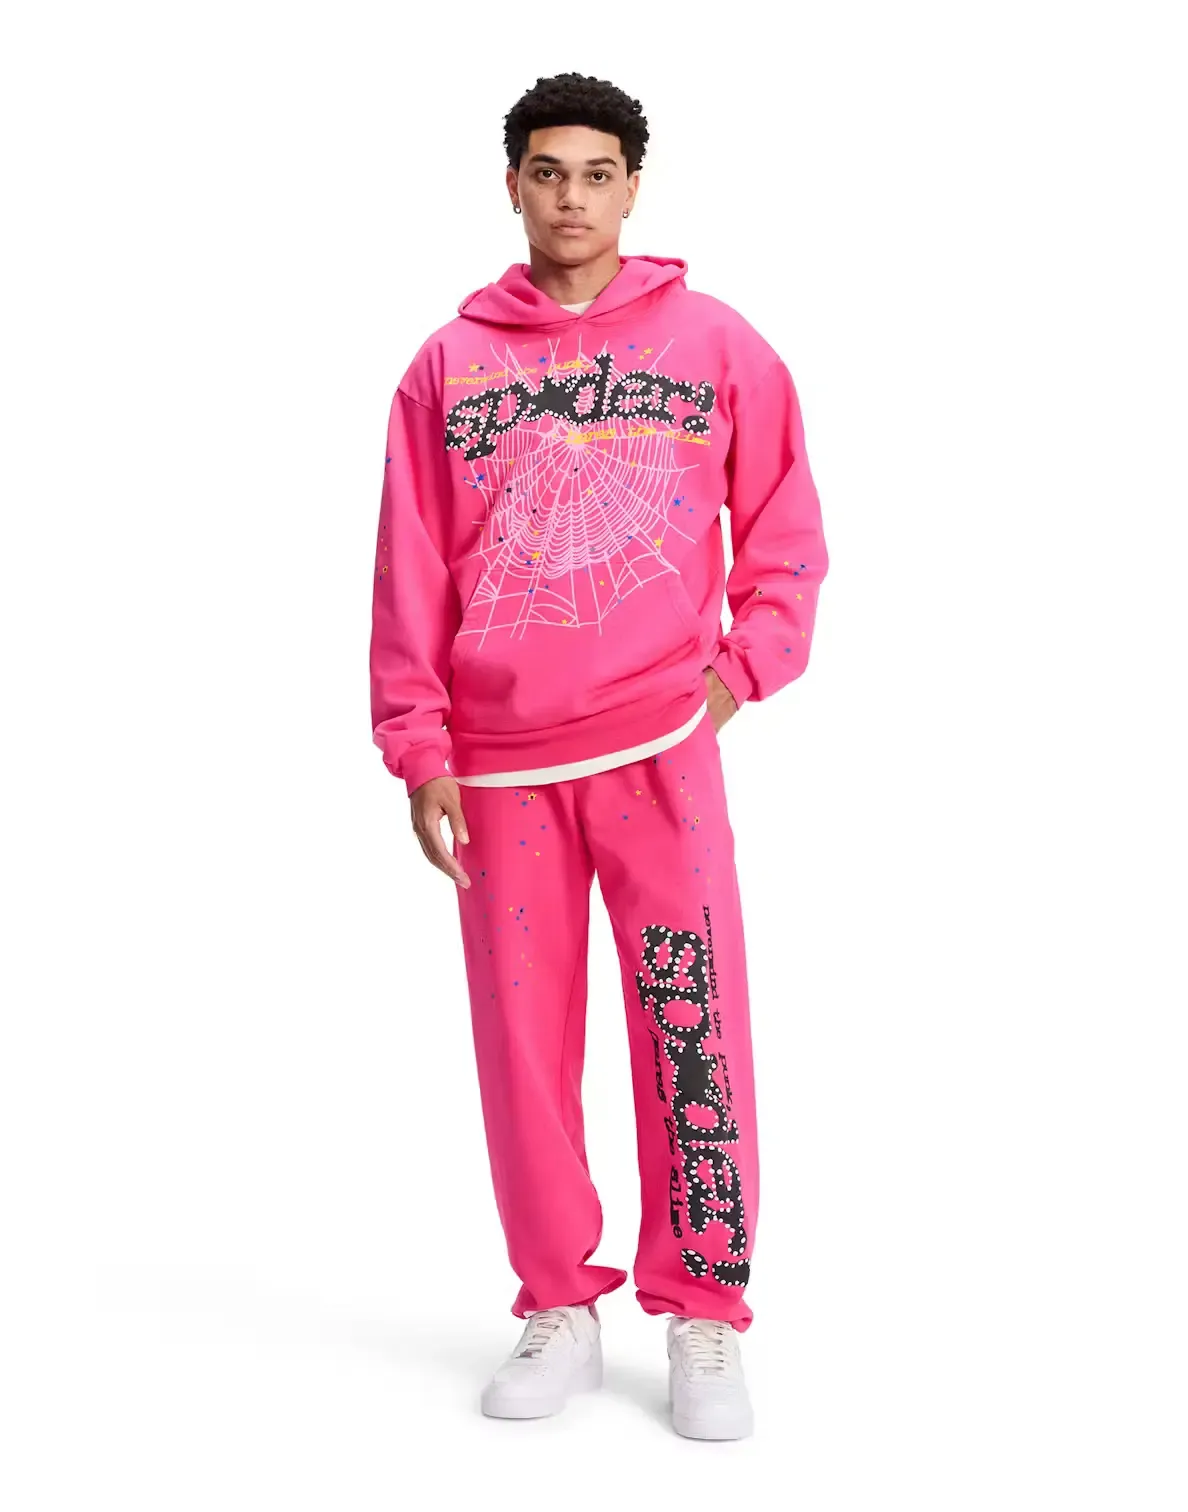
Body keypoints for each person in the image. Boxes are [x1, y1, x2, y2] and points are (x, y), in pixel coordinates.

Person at [369, 71, 828, 1440]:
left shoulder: (716, 343)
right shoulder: (446, 367)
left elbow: (787, 527)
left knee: (691, 1022)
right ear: (511, 184)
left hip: (660, 752)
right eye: (547, 171)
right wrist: (419, 746)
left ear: (634, 186)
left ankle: (705, 1308)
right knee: (523, 1044)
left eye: (597, 172)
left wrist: (736, 677)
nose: (571, 196)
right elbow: (408, 567)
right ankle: (558, 1302)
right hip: (497, 767)